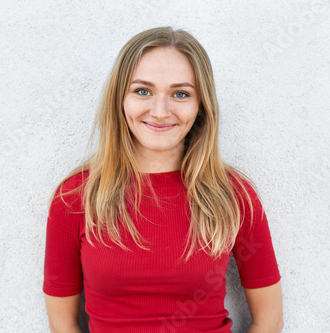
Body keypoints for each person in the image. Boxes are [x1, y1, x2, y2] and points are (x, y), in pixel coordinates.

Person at [43, 26, 283, 333]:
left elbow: (270, 321)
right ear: (120, 99)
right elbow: (62, 325)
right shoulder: (75, 197)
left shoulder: (235, 195)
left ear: (201, 107)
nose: (159, 111)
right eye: (142, 91)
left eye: (180, 94)